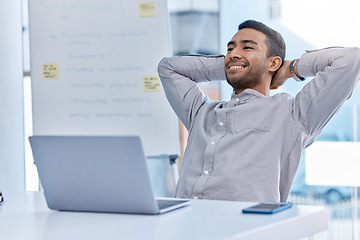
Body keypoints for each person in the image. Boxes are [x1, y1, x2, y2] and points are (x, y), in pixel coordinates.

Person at [157, 20, 360, 202]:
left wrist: (291, 69)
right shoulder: (201, 113)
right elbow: (168, 67)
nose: (233, 53)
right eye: (230, 49)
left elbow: (350, 60)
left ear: (273, 63)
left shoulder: (292, 115)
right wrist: (237, 65)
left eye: (247, 47)